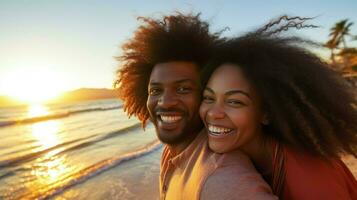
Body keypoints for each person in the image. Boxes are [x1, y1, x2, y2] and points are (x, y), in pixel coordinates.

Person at [115, 13, 277, 199]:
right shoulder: (171, 152)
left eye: (183, 89)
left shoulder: (222, 178)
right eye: (155, 91)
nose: (165, 102)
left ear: (205, 95)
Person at [199, 31, 357, 199]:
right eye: (209, 98)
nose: (214, 113)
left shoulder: (311, 182)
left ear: (266, 114)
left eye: (235, 102)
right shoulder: (255, 152)